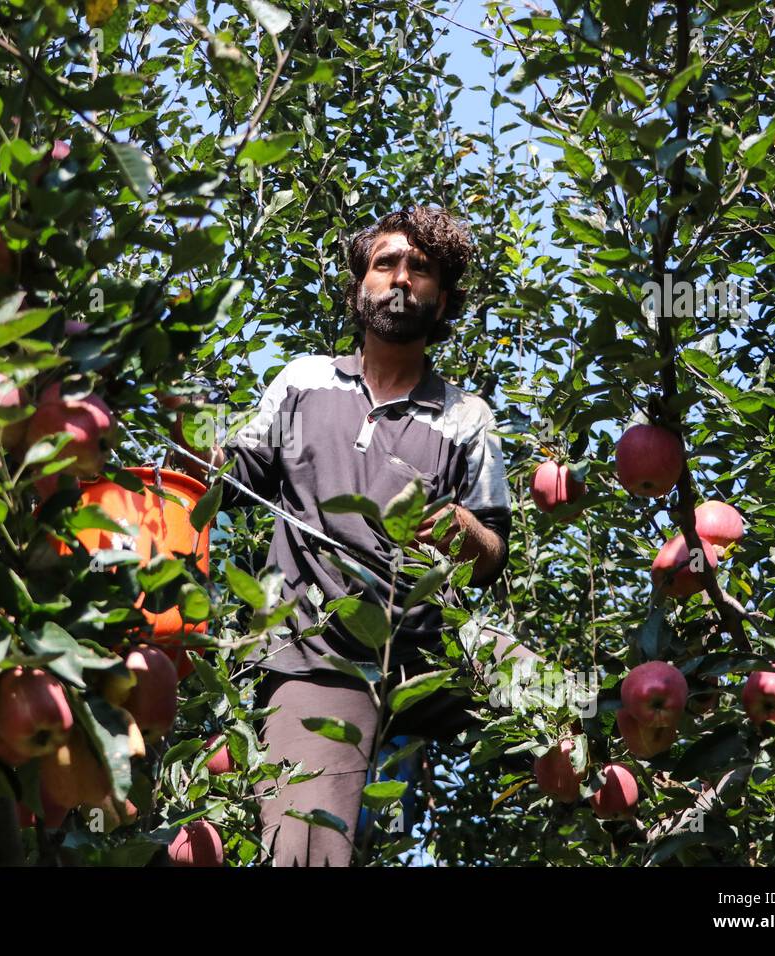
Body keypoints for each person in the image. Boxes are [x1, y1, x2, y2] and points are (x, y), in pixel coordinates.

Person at [182, 206, 535, 866]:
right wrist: (188, 435)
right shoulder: (303, 383)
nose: (401, 278)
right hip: (318, 656)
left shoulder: (466, 417)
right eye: (386, 264)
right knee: (307, 850)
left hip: (434, 644)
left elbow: (492, 556)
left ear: (444, 298)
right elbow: (230, 478)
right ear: (358, 288)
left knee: (569, 708)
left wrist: (465, 533)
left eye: (421, 269)